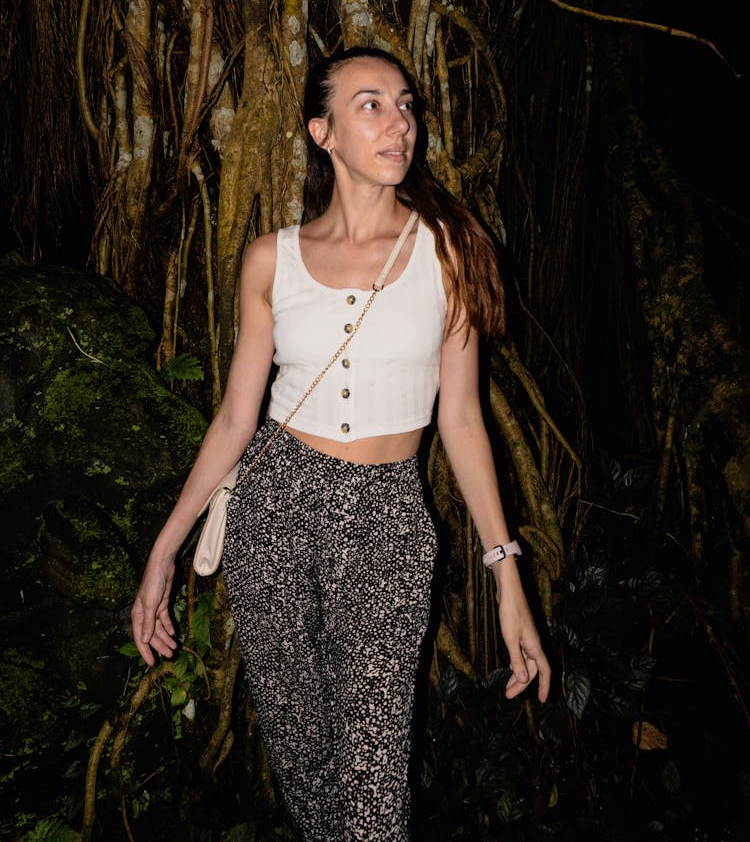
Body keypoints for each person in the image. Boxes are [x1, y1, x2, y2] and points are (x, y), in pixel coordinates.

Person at [131, 45, 551, 841]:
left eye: (406, 104)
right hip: (273, 509)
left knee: (372, 787)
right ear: (321, 131)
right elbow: (234, 419)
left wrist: (506, 574)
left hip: (387, 519)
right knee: (306, 764)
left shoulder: (449, 251)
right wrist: (164, 548)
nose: (400, 123)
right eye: (371, 105)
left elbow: (461, 419)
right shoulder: (271, 260)